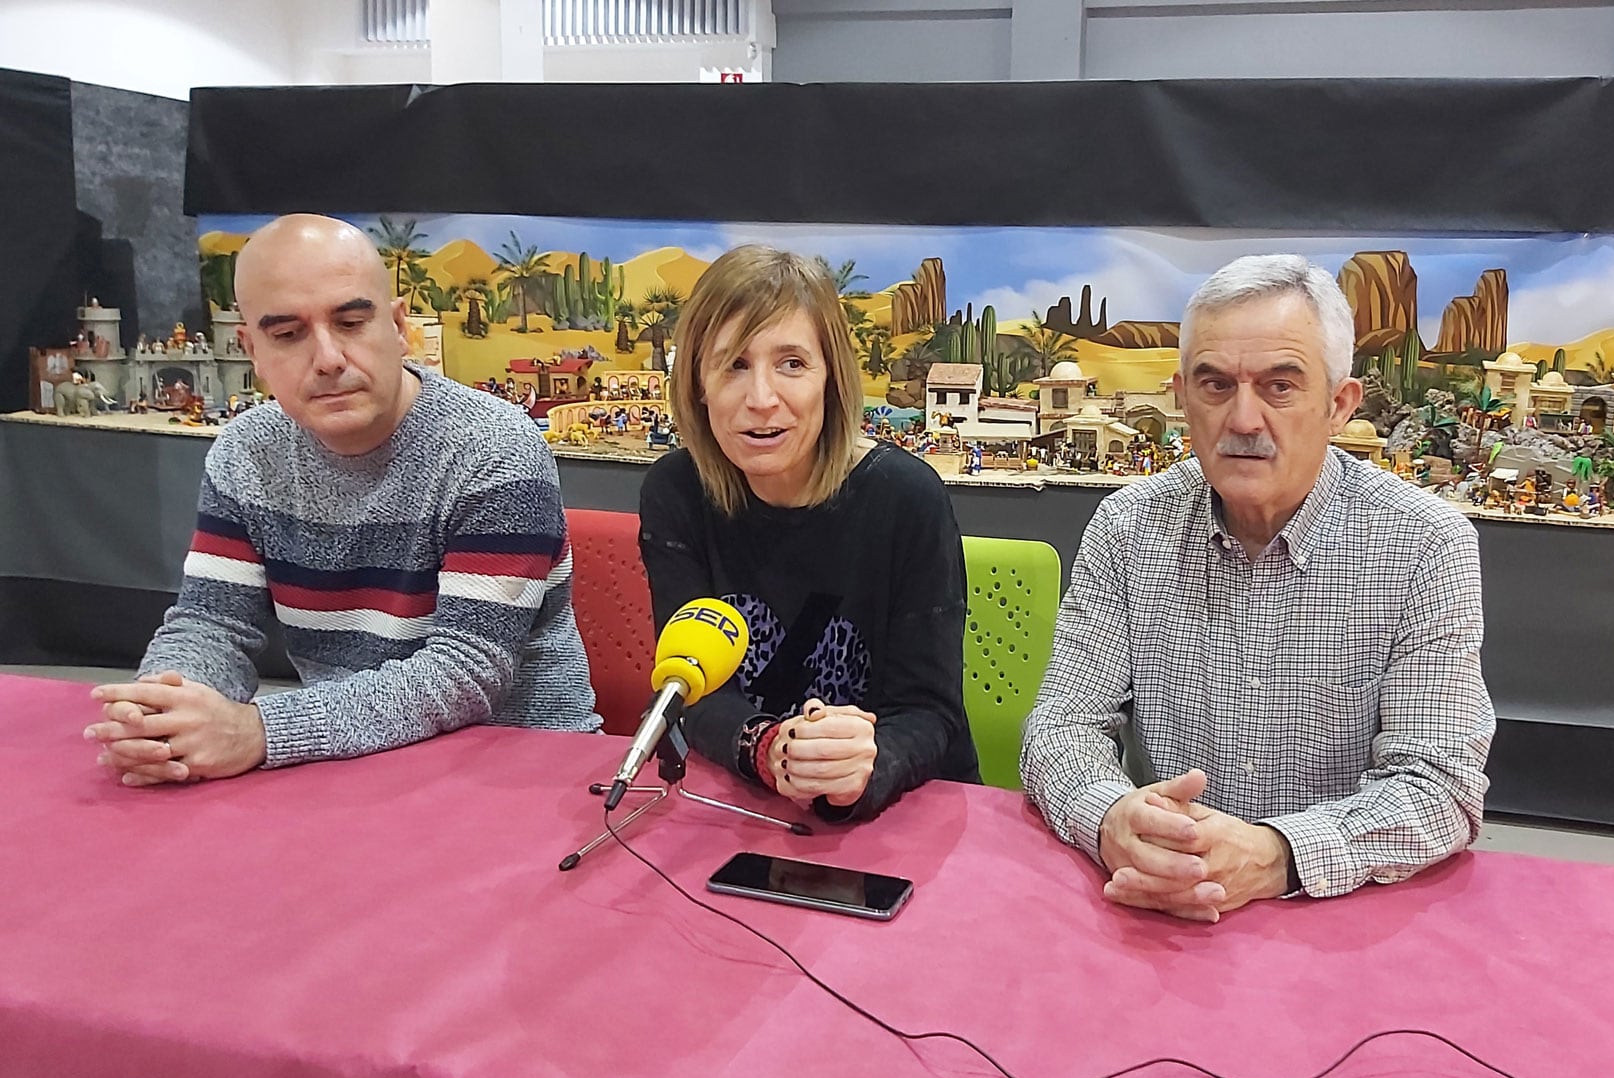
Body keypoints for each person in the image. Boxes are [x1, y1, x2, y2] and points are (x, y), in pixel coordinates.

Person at [1021, 254, 1493, 922]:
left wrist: (1276, 854)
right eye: (1215, 385)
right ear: (1182, 397)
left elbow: (1439, 787)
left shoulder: (1424, 545)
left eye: (1279, 386)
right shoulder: (1127, 527)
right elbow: (1062, 727)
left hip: (1334, 915)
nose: (1243, 419)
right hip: (1160, 904)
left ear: (1338, 405)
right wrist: (1112, 818)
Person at [84, 214, 597, 787]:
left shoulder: (494, 448)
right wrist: (163, 711)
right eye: (288, 335)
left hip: (519, 774)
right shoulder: (245, 453)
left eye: (351, 322)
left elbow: (467, 673)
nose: (327, 358)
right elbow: (212, 622)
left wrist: (258, 733)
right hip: (344, 766)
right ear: (250, 348)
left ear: (399, 326)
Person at [638, 244, 980, 821]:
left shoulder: (907, 498)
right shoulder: (676, 493)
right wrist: (769, 750)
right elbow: (690, 695)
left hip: (903, 812)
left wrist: (860, 769)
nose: (762, 399)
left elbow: (929, 713)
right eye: (733, 364)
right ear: (697, 384)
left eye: (792, 363)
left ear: (831, 380)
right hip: (746, 808)